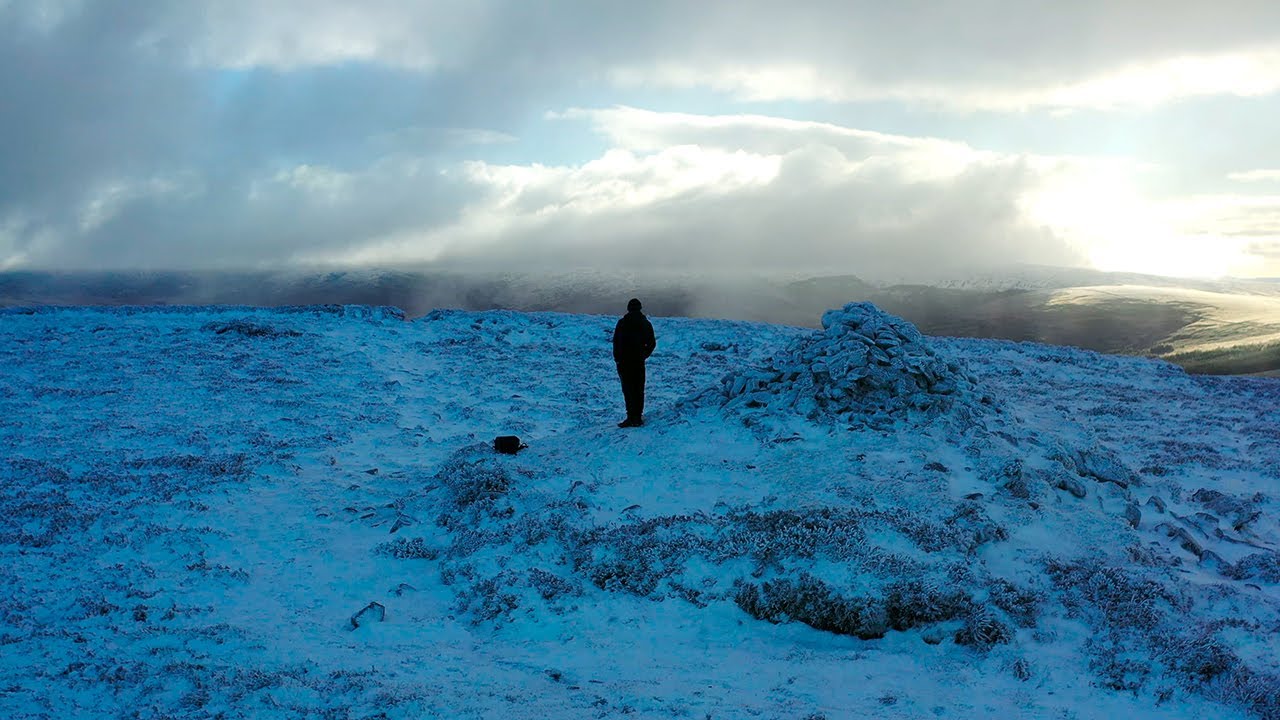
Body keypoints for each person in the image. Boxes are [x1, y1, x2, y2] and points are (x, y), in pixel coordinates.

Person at [612, 298, 656, 428]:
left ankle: (631, 416)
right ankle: (637, 417)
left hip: (624, 362)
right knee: (638, 389)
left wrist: (618, 358)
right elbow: (652, 343)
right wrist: (643, 355)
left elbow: (616, 342)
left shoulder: (622, 323)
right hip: (637, 362)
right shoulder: (645, 323)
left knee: (628, 389)